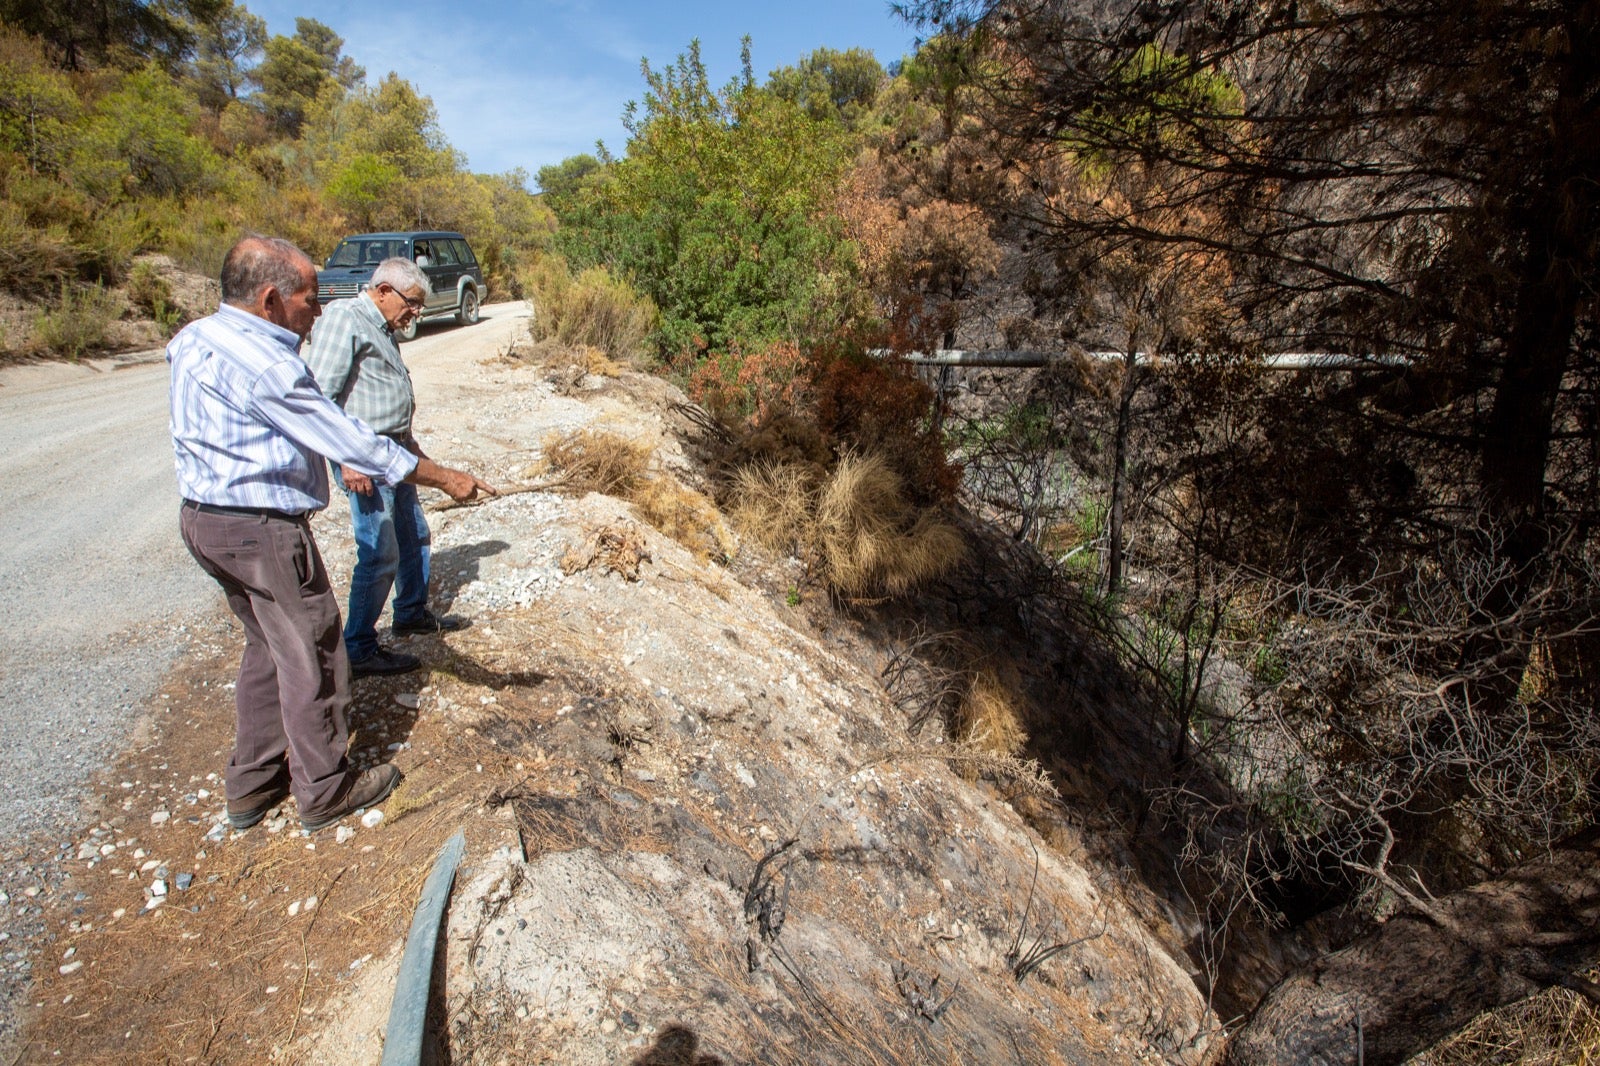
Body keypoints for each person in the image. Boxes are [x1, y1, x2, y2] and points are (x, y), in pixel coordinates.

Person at [168, 235, 497, 833]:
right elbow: (347, 435)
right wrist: (444, 476)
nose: (316, 312)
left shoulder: (196, 337)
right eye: (309, 299)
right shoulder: (266, 363)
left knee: (267, 649)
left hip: (206, 519)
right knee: (315, 648)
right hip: (258, 529)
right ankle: (324, 788)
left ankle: (252, 784)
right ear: (270, 299)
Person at [304, 258, 464, 679]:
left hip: (396, 454)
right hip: (365, 458)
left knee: (414, 533)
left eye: (419, 307)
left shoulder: (382, 325)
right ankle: (358, 646)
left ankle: (410, 612)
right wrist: (346, 458)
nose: (416, 313)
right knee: (379, 552)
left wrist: (413, 446)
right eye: (412, 303)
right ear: (383, 290)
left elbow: (379, 390)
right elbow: (319, 400)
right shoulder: (346, 318)